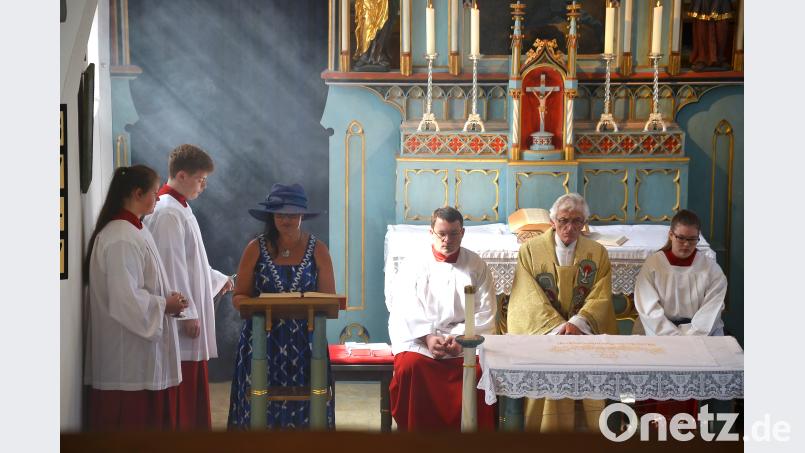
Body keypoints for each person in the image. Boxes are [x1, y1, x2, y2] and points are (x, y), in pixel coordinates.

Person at [84, 165, 188, 431]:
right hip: (127, 360)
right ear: (137, 193)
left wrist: (167, 299)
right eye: (154, 193)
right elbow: (124, 299)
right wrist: (165, 304)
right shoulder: (121, 237)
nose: (157, 197)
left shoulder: (135, 229)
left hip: (139, 353)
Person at [227, 183, 336, 429]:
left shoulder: (318, 249)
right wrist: (262, 305)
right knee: (259, 409)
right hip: (262, 341)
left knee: (309, 404)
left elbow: (329, 299)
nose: (286, 219)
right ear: (271, 216)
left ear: (302, 216)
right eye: (280, 214)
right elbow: (239, 296)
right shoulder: (255, 248)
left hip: (307, 343)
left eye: (292, 214)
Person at [507, 193, 617, 432]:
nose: (570, 227)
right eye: (564, 220)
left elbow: (601, 294)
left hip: (583, 333)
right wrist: (559, 327)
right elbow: (527, 297)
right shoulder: (530, 250)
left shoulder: (597, 252)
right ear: (552, 221)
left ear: (584, 223)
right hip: (546, 333)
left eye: (577, 221)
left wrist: (578, 322)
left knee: (592, 370)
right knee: (547, 369)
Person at [143, 144, 234, 430]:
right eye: (200, 178)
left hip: (185, 314)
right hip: (179, 322)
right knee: (181, 392)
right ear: (181, 175)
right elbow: (171, 269)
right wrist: (188, 313)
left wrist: (220, 280)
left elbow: (193, 262)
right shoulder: (168, 212)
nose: (204, 185)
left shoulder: (180, 207)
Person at [388, 206, 497, 431]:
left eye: (454, 234)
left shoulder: (476, 265)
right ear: (431, 233)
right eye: (442, 233)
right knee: (412, 367)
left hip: (465, 340)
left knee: (478, 372)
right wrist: (428, 337)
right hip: (421, 340)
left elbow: (486, 311)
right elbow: (404, 306)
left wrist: (459, 340)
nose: (448, 240)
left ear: (463, 233)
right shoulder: (414, 264)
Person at [632, 209, 728, 423]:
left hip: (700, 335)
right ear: (671, 235)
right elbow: (647, 307)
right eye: (681, 238)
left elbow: (712, 308)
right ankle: (647, 426)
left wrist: (691, 338)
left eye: (692, 240)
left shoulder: (710, 268)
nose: (686, 244)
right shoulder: (654, 264)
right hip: (658, 332)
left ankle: (694, 427)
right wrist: (671, 338)